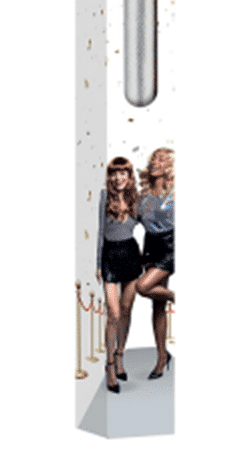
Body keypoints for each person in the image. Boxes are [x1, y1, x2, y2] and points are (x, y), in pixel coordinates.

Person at [96, 156, 142, 393]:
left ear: (129, 175)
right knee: (113, 314)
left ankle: (120, 355)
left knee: (126, 310)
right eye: (114, 173)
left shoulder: (137, 198)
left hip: (131, 254)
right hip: (110, 256)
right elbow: (100, 231)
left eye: (122, 173)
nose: (118, 177)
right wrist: (98, 264)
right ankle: (109, 365)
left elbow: (151, 224)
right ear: (110, 176)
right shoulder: (105, 195)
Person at [136, 147, 175, 379]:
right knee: (157, 306)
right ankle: (162, 357)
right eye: (153, 158)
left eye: (161, 159)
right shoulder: (144, 194)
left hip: (170, 246)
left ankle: (176, 297)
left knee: (143, 286)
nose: (155, 162)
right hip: (150, 246)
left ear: (170, 165)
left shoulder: (176, 192)